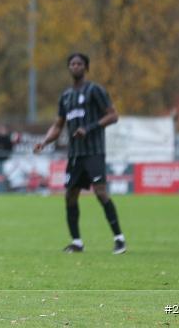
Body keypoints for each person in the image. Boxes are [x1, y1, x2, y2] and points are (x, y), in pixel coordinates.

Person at [34, 53, 125, 254]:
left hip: (94, 151)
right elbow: (58, 125)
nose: (75, 66)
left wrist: (89, 128)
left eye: (79, 64)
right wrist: (44, 142)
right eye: (72, 64)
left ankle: (119, 239)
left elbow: (113, 115)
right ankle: (77, 242)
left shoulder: (95, 90)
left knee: (100, 192)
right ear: (69, 68)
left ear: (86, 67)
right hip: (75, 155)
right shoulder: (66, 96)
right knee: (70, 196)